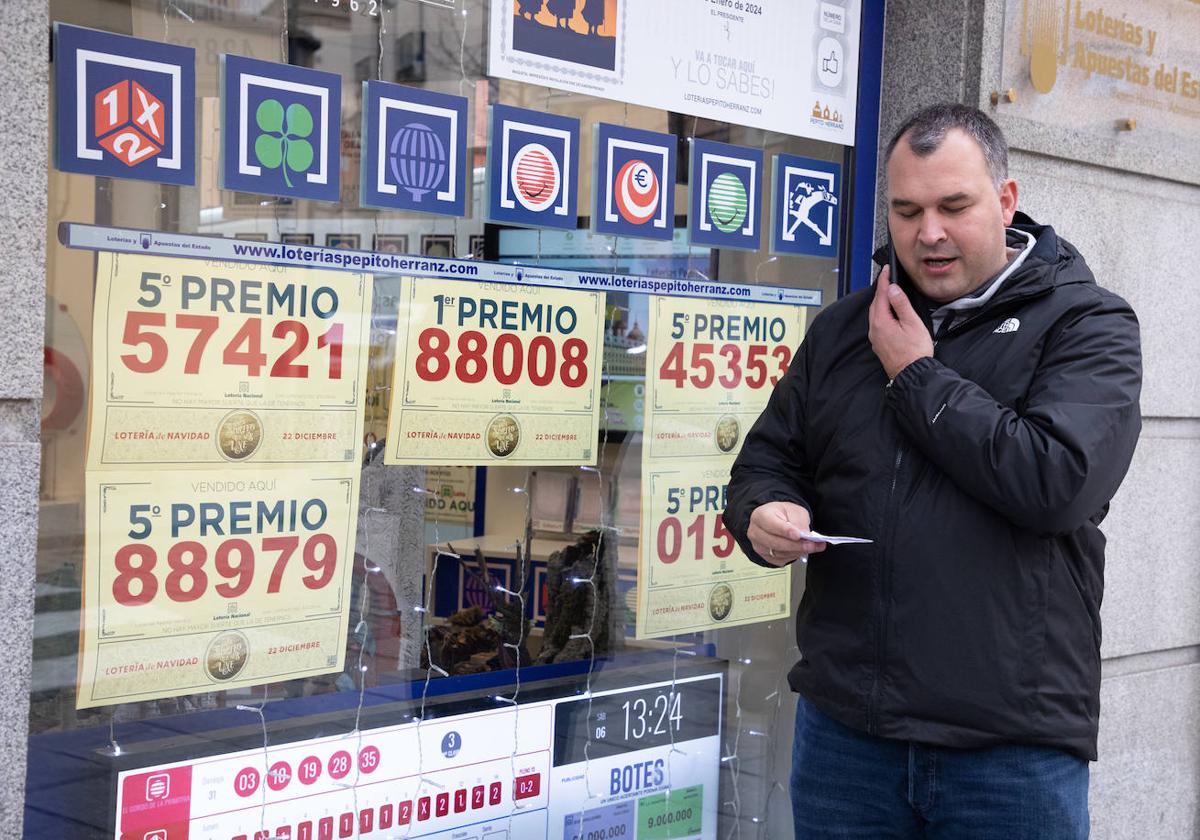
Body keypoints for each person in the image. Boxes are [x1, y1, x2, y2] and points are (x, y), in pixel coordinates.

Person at [725, 103, 1142, 838]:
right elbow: (766, 460)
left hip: (1008, 752)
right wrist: (764, 511)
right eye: (907, 210)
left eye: (954, 206)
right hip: (848, 737)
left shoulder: (1088, 326)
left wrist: (915, 373)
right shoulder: (845, 329)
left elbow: (1057, 484)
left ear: (1006, 200)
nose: (929, 234)